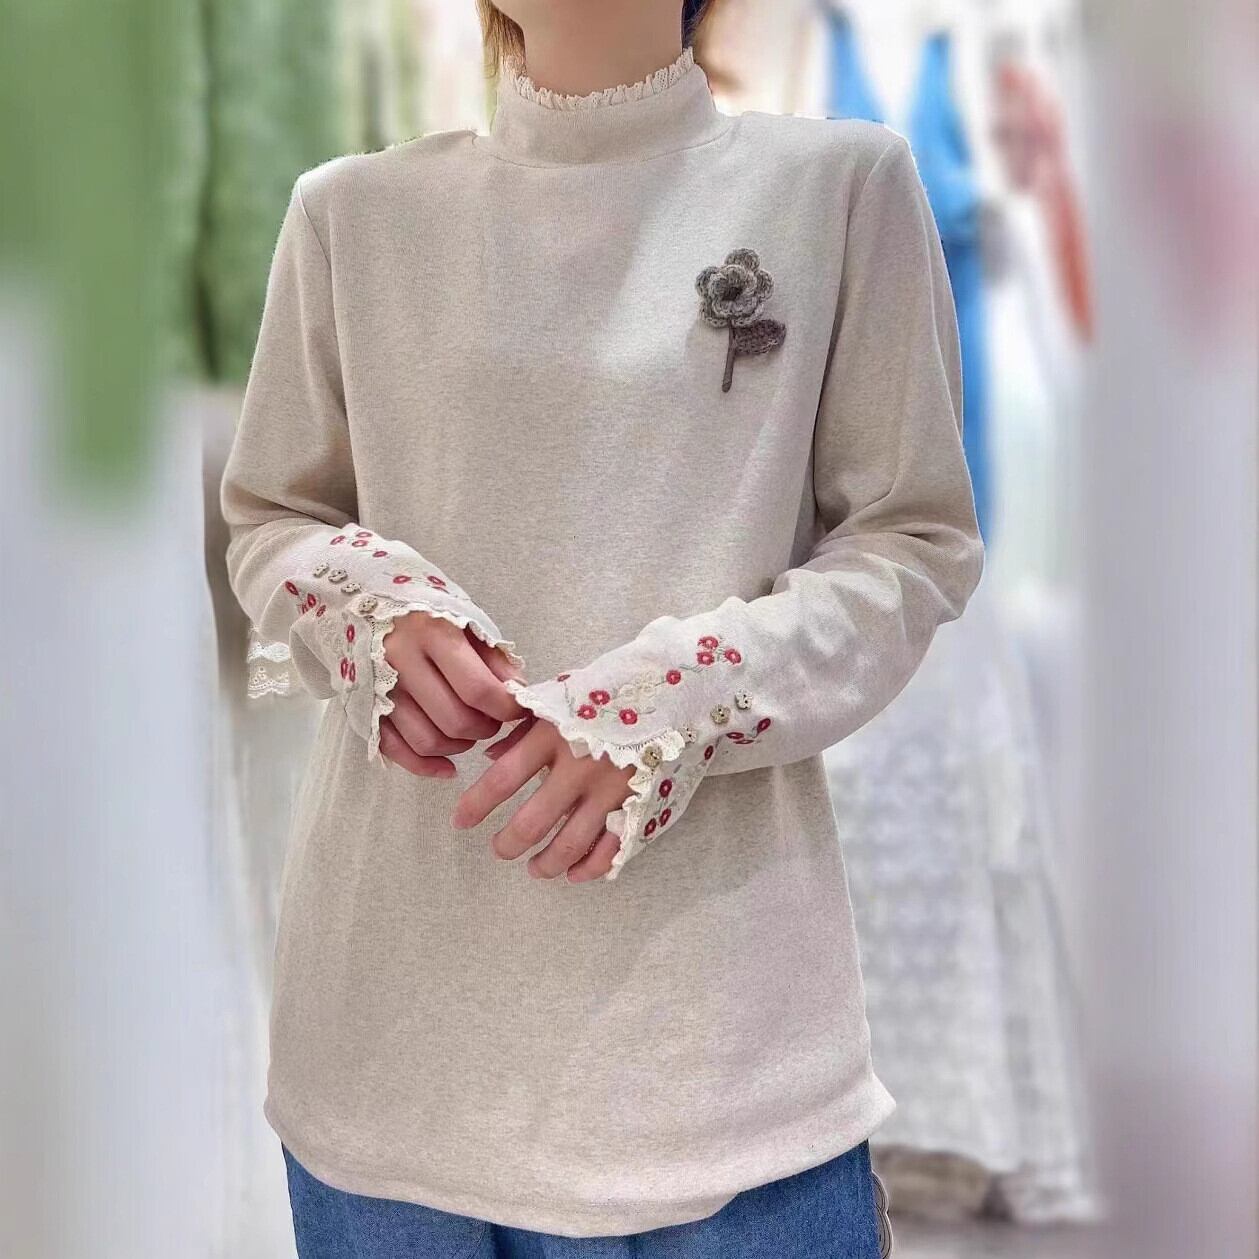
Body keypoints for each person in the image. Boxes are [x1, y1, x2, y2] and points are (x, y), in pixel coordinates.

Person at [219, 1, 983, 1254]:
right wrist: (368, 606)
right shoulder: (351, 214)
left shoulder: (837, 189)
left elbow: (911, 541)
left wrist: (679, 695)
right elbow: (271, 515)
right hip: (387, 1045)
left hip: (725, 1057)